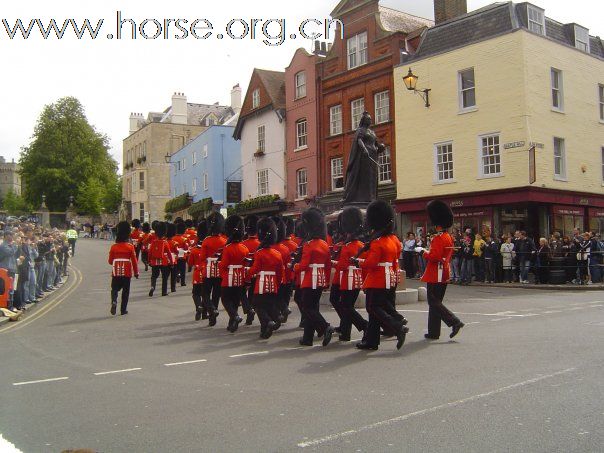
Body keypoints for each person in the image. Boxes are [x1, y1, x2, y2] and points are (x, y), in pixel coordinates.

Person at [354, 201, 408, 351]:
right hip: (390, 275)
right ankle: (371, 341)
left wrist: (358, 262)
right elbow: (396, 256)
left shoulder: (378, 242)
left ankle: (397, 325)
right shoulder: (393, 239)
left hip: (377, 278)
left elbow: (371, 263)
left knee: (373, 308)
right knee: (378, 309)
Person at [416, 200, 464, 340]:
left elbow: (434, 256)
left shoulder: (438, 238)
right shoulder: (447, 237)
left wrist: (422, 252)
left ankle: (454, 321)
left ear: (437, 223)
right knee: (436, 302)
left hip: (435, 272)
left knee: (433, 301)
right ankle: (434, 332)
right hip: (444, 271)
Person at [294, 208, 335, 347]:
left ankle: (325, 327)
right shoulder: (324, 244)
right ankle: (307, 338)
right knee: (312, 307)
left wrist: (294, 267)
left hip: (310, 278)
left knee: (306, 307)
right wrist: (327, 282)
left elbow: (304, 265)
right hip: (321, 278)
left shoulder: (309, 245)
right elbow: (328, 265)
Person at [245, 217, 284, 339]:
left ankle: (269, 321)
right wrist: (277, 284)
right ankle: (264, 331)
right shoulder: (277, 254)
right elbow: (280, 272)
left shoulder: (260, 253)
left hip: (261, 283)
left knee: (257, 304)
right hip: (273, 283)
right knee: (268, 304)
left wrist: (247, 272)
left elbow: (255, 269)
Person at [334, 207, 368, 342]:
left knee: (346, 306)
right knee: (347, 306)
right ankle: (345, 332)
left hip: (348, 279)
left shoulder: (348, 246)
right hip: (356, 278)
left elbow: (342, 265)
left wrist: (331, 262)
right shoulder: (360, 244)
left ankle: (365, 325)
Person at [218, 215, 249, 333]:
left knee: (226, 299)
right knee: (235, 301)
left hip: (228, 277)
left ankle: (235, 317)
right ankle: (232, 324)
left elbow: (224, 265)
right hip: (240, 277)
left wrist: (219, 263)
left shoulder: (228, 248)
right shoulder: (244, 247)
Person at [200, 212, 227, 326]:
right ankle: (213, 317)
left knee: (205, 293)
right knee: (216, 294)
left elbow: (202, 257)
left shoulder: (206, 240)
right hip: (220, 269)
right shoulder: (225, 240)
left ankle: (211, 309)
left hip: (209, 269)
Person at [108, 221, 139, 315]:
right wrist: (136, 273)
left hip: (116, 270)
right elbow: (134, 261)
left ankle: (114, 301)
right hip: (127, 271)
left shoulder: (114, 247)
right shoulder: (130, 247)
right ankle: (123, 310)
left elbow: (110, 261)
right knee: (126, 291)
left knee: (114, 288)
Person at [241, 215, 260, 325]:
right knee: (252, 294)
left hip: (246, 272)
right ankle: (251, 313)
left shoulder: (243, 244)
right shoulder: (260, 243)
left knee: (242, 293)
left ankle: (249, 312)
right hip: (256, 272)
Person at [188, 220, 208, 321]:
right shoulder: (208, 249)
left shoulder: (195, 250)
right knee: (205, 294)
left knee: (196, 293)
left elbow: (190, 263)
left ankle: (198, 307)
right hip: (206, 272)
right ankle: (204, 313)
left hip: (197, 273)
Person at [148, 222, 174, 297]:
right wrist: (171, 263)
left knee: (154, 276)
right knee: (164, 277)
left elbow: (150, 253)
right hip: (164, 261)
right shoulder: (165, 242)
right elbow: (169, 253)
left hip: (154, 261)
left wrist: (149, 261)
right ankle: (164, 292)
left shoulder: (153, 242)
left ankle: (153, 286)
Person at [172, 222, 190, 287]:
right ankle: (183, 282)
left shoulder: (173, 238)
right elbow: (187, 247)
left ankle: (177, 275)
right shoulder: (184, 239)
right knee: (183, 269)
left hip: (175, 256)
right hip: (182, 256)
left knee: (176, 268)